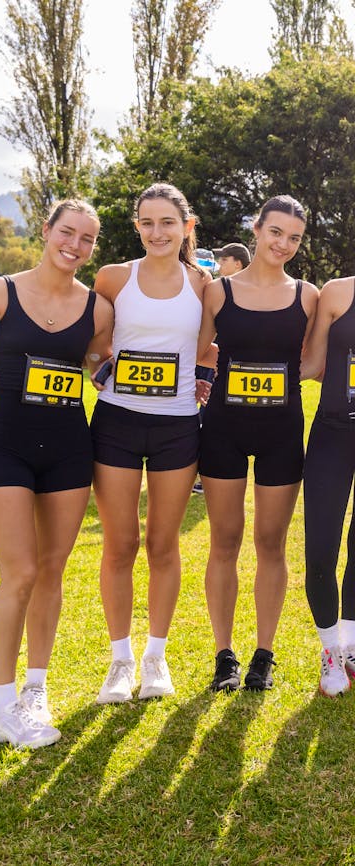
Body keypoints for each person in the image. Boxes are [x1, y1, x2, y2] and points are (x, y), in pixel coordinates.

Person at [0, 198, 113, 747]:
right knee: (18, 573)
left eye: (87, 239)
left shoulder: (98, 308)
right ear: (46, 232)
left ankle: (35, 689)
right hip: (3, 447)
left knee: (51, 570)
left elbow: (97, 366)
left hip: (70, 449)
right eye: (67, 232)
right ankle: (1, 707)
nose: (75, 245)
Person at [90, 182, 212, 704]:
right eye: (146, 222)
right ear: (136, 226)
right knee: (120, 545)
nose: (156, 232)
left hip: (177, 426)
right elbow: (95, 342)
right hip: (116, 421)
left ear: (186, 227)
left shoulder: (202, 283)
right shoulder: (114, 277)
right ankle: (120, 661)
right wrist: (102, 366)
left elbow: (208, 343)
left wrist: (204, 376)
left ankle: (155, 658)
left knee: (164, 545)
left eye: (167, 222)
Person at [197, 194, 318, 692]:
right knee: (224, 540)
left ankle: (263, 655)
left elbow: (313, 363)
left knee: (271, 542)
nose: (283, 244)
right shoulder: (217, 291)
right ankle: (224, 655)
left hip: (281, 432)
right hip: (223, 428)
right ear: (257, 228)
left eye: (293, 238)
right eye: (276, 233)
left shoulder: (308, 296)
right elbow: (200, 349)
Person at [301, 275, 355, 697]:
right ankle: (329, 649)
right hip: (333, 435)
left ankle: (350, 644)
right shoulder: (337, 292)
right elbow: (312, 364)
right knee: (320, 550)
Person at [192, 242, 251, 495]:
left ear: (237, 263)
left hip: (226, 367)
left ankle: (207, 477)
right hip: (210, 360)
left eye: (224, 260)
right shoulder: (216, 290)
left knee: (213, 418)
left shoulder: (245, 293)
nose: (220, 265)